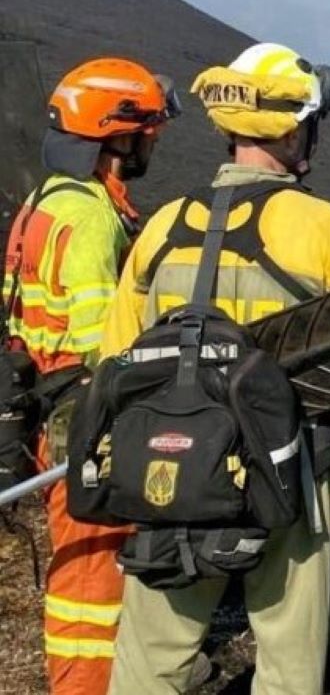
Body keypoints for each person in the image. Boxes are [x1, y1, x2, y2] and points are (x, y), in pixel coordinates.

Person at [100, 43, 330, 695]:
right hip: (289, 470)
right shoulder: (323, 228)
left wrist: (114, 455)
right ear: (295, 131)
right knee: (288, 661)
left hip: (172, 466)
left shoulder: (163, 227)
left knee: (151, 655)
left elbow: (117, 360)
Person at [1, 58, 179, 694]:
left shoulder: (45, 201)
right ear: (117, 136)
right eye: (147, 132)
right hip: (84, 418)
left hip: (48, 408)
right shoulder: (90, 220)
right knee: (91, 580)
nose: (150, 144)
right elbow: (103, 343)